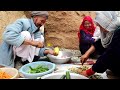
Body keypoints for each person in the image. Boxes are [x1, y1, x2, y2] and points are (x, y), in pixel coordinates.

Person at [79, 11, 120, 77]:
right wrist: (87, 53)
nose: (100, 29)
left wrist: (90, 71)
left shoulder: (118, 34)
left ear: (106, 24)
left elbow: (110, 54)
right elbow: (100, 42)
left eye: (101, 26)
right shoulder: (110, 32)